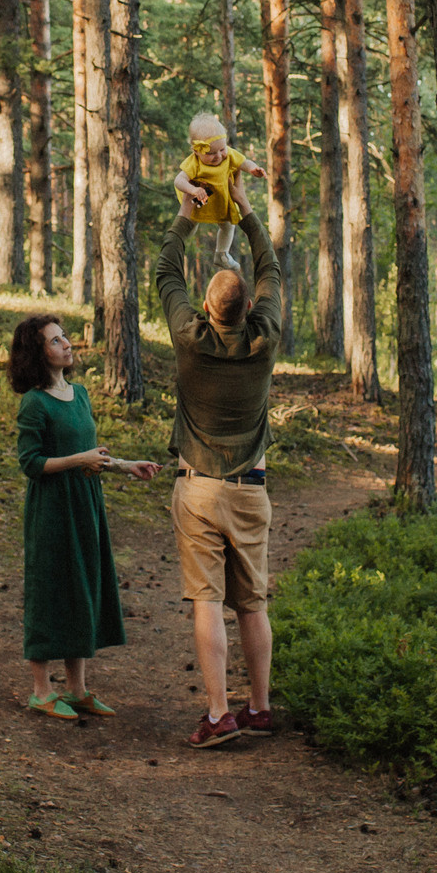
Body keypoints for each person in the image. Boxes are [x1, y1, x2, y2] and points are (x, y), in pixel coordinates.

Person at [152, 196, 284, 748]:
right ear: (250, 304)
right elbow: (270, 265)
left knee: (207, 600)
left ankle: (216, 714)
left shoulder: (189, 336)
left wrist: (187, 211)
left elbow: (165, 269)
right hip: (251, 492)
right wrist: (248, 210)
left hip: (198, 490)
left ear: (205, 309)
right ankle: (258, 707)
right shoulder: (265, 336)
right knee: (252, 603)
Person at [8, 314, 159, 719]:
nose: (67, 344)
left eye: (65, 337)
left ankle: (77, 690)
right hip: (52, 509)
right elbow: (31, 464)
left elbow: (92, 456)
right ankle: (41, 691)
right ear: (38, 353)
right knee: (50, 591)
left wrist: (125, 465)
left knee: (82, 587)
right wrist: (80, 460)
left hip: (85, 503)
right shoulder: (34, 403)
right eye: (56, 341)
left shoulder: (80, 394)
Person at [172, 111, 267, 272]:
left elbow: (244, 162)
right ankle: (176, 249)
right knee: (190, 226)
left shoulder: (229, 155)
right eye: (210, 153)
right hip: (199, 202)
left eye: (221, 149)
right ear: (196, 151)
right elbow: (178, 180)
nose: (218, 156)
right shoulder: (194, 163)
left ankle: (222, 254)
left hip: (221, 202)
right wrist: (193, 189)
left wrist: (253, 169)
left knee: (228, 226)